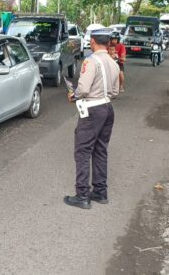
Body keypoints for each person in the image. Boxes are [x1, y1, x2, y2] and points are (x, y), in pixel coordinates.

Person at [64, 28, 120, 209]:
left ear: (93, 41)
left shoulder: (90, 61)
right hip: (107, 107)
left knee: (82, 151)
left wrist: (74, 95)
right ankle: (100, 192)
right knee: (100, 150)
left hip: (92, 109)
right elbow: (115, 91)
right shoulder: (114, 63)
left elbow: (84, 89)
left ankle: (82, 195)